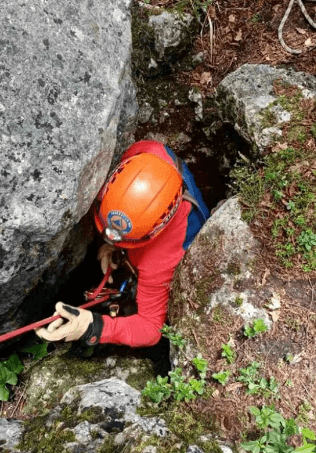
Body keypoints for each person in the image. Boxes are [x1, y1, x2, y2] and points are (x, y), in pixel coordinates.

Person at [35, 140, 209, 348]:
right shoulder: (146, 152)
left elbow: (150, 329)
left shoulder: (161, 258)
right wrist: (112, 244)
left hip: (173, 240)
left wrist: (93, 327)